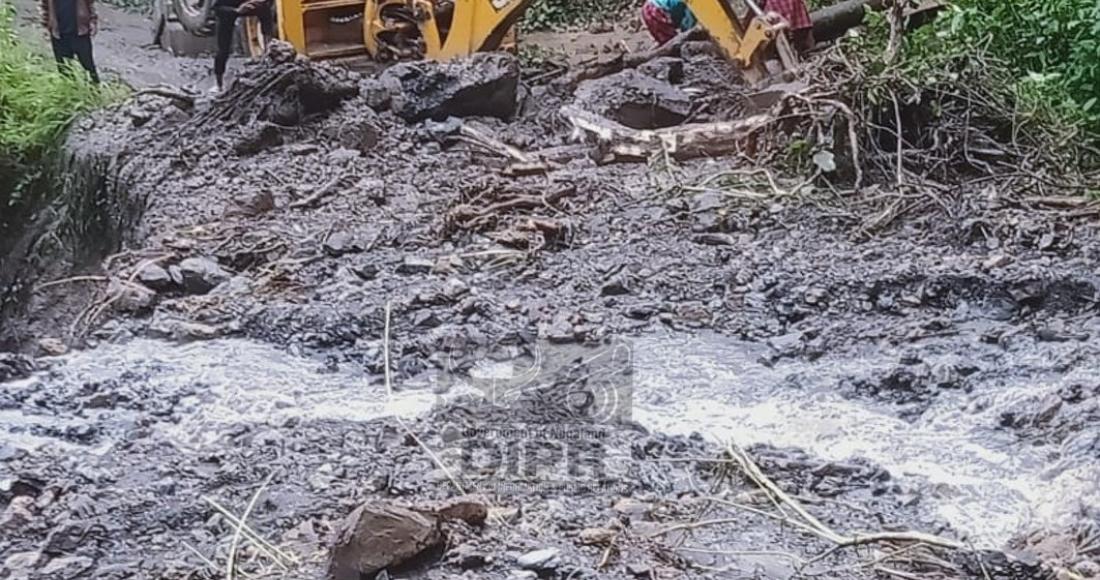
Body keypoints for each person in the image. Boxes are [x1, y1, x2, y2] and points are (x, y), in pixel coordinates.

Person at [212, 0, 274, 92]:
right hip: (228, 10)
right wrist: (236, 11)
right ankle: (219, 84)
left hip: (254, 6)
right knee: (223, 49)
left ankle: (268, 51)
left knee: (265, 10)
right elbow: (216, 8)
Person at [40, 0, 100, 83]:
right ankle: (70, 92)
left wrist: (93, 21)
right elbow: (45, 7)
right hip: (59, 34)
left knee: (88, 66)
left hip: (80, 32)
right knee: (64, 69)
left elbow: (90, 3)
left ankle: (95, 92)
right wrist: (46, 26)